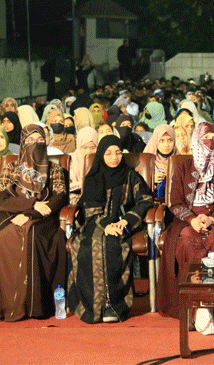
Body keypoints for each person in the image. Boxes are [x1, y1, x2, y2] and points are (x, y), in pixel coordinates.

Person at [0, 125, 67, 322]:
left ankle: (29, 305)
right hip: (8, 213)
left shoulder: (54, 168)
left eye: (39, 140)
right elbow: (2, 199)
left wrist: (31, 214)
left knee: (29, 236)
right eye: (30, 141)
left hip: (41, 219)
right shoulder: (11, 168)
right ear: (22, 144)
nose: (35, 144)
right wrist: (32, 204)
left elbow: (59, 197)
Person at [67, 134, 154, 323]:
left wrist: (126, 221)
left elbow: (145, 199)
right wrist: (106, 225)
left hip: (121, 223)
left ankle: (113, 305)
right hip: (95, 223)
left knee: (113, 246)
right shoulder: (94, 177)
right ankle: (92, 305)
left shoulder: (130, 175)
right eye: (108, 153)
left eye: (118, 152)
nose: (114, 157)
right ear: (101, 155)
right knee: (89, 246)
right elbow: (89, 209)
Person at [157, 122, 214, 327]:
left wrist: (212, 218)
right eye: (205, 139)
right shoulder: (183, 167)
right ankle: (192, 305)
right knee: (187, 241)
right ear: (196, 141)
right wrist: (192, 219)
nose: (210, 143)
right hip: (187, 219)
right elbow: (174, 202)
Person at [143, 124, 176, 199]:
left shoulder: (179, 160)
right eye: (161, 141)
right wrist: (150, 179)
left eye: (170, 140)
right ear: (156, 142)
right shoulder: (146, 160)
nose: (166, 145)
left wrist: (171, 174)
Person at [69, 126, 99, 204]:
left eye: (92, 147)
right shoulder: (70, 159)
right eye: (85, 147)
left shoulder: (100, 160)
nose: (88, 151)